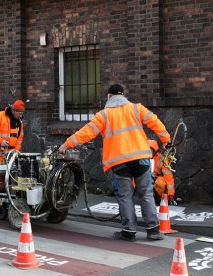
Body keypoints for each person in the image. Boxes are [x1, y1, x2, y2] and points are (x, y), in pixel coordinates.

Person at [60, 84, 170, 241]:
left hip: (120, 162)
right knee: (146, 193)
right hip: (142, 159)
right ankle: (153, 230)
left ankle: (129, 232)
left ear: (109, 97)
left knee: (125, 196)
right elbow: (155, 122)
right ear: (123, 95)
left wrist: (66, 145)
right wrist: (166, 139)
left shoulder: (104, 115)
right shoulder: (136, 108)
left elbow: (86, 133)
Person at [0, 99, 26, 184]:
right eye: (19, 113)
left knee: (7, 182)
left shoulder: (19, 122)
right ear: (14, 110)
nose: (21, 116)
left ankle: (3, 196)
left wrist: (16, 151)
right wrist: (0, 141)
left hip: (8, 157)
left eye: (22, 113)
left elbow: (19, 138)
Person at [148, 140, 176, 205]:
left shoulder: (162, 159)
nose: (148, 152)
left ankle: (162, 197)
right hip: (147, 178)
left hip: (157, 178)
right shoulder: (143, 158)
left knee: (160, 183)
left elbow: (169, 177)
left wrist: (170, 194)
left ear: (154, 150)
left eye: (150, 150)